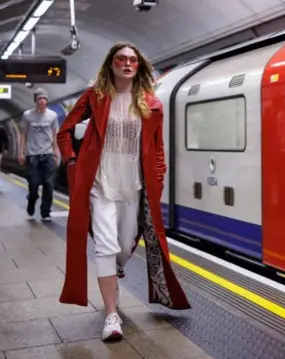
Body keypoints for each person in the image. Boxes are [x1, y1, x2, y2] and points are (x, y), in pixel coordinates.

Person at [56, 42, 191, 342]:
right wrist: (73, 162)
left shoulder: (151, 105)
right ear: (112, 64)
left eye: (133, 60)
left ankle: (114, 270)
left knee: (126, 246)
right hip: (99, 183)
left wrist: (159, 180)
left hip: (134, 185)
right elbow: (64, 132)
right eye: (121, 59)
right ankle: (112, 315)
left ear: (139, 66)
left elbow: (157, 151)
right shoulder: (95, 96)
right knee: (105, 247)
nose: (127, 64)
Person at [18, 88, 59, 220]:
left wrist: (56, 151)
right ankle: (31, 200)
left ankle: (45, 212)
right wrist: (21, 152)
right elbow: (23, 134)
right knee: (34, 184)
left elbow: (54, 135)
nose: (42, 101)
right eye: (39, 99)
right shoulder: (27, 115)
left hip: (47, 154)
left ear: (47, 100)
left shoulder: (52, 115)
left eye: (44, 98)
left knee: (49, 184)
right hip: (32, 155)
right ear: (35, 101)